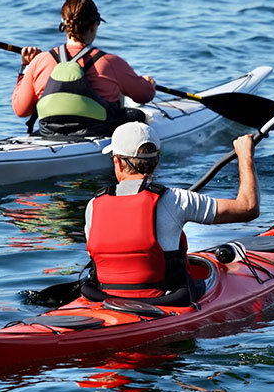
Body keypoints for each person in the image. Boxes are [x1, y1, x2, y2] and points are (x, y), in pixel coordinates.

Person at [82, 121, 260, 306]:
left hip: (103, 300)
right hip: (163, 302)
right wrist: (245, 155)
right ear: (157, 161)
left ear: (117, 162)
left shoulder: (94, 205)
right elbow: (248, 207)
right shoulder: (176, 200)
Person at [12, 0, 156, 137]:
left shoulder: (39, 61)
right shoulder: (110, 62)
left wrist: (26, 67)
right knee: (135, 114)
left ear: (65, 26)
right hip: (97, 133)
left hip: (49, 134)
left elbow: (21, 110)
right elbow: (144, 95)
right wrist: (149, 83)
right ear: (93, 26)